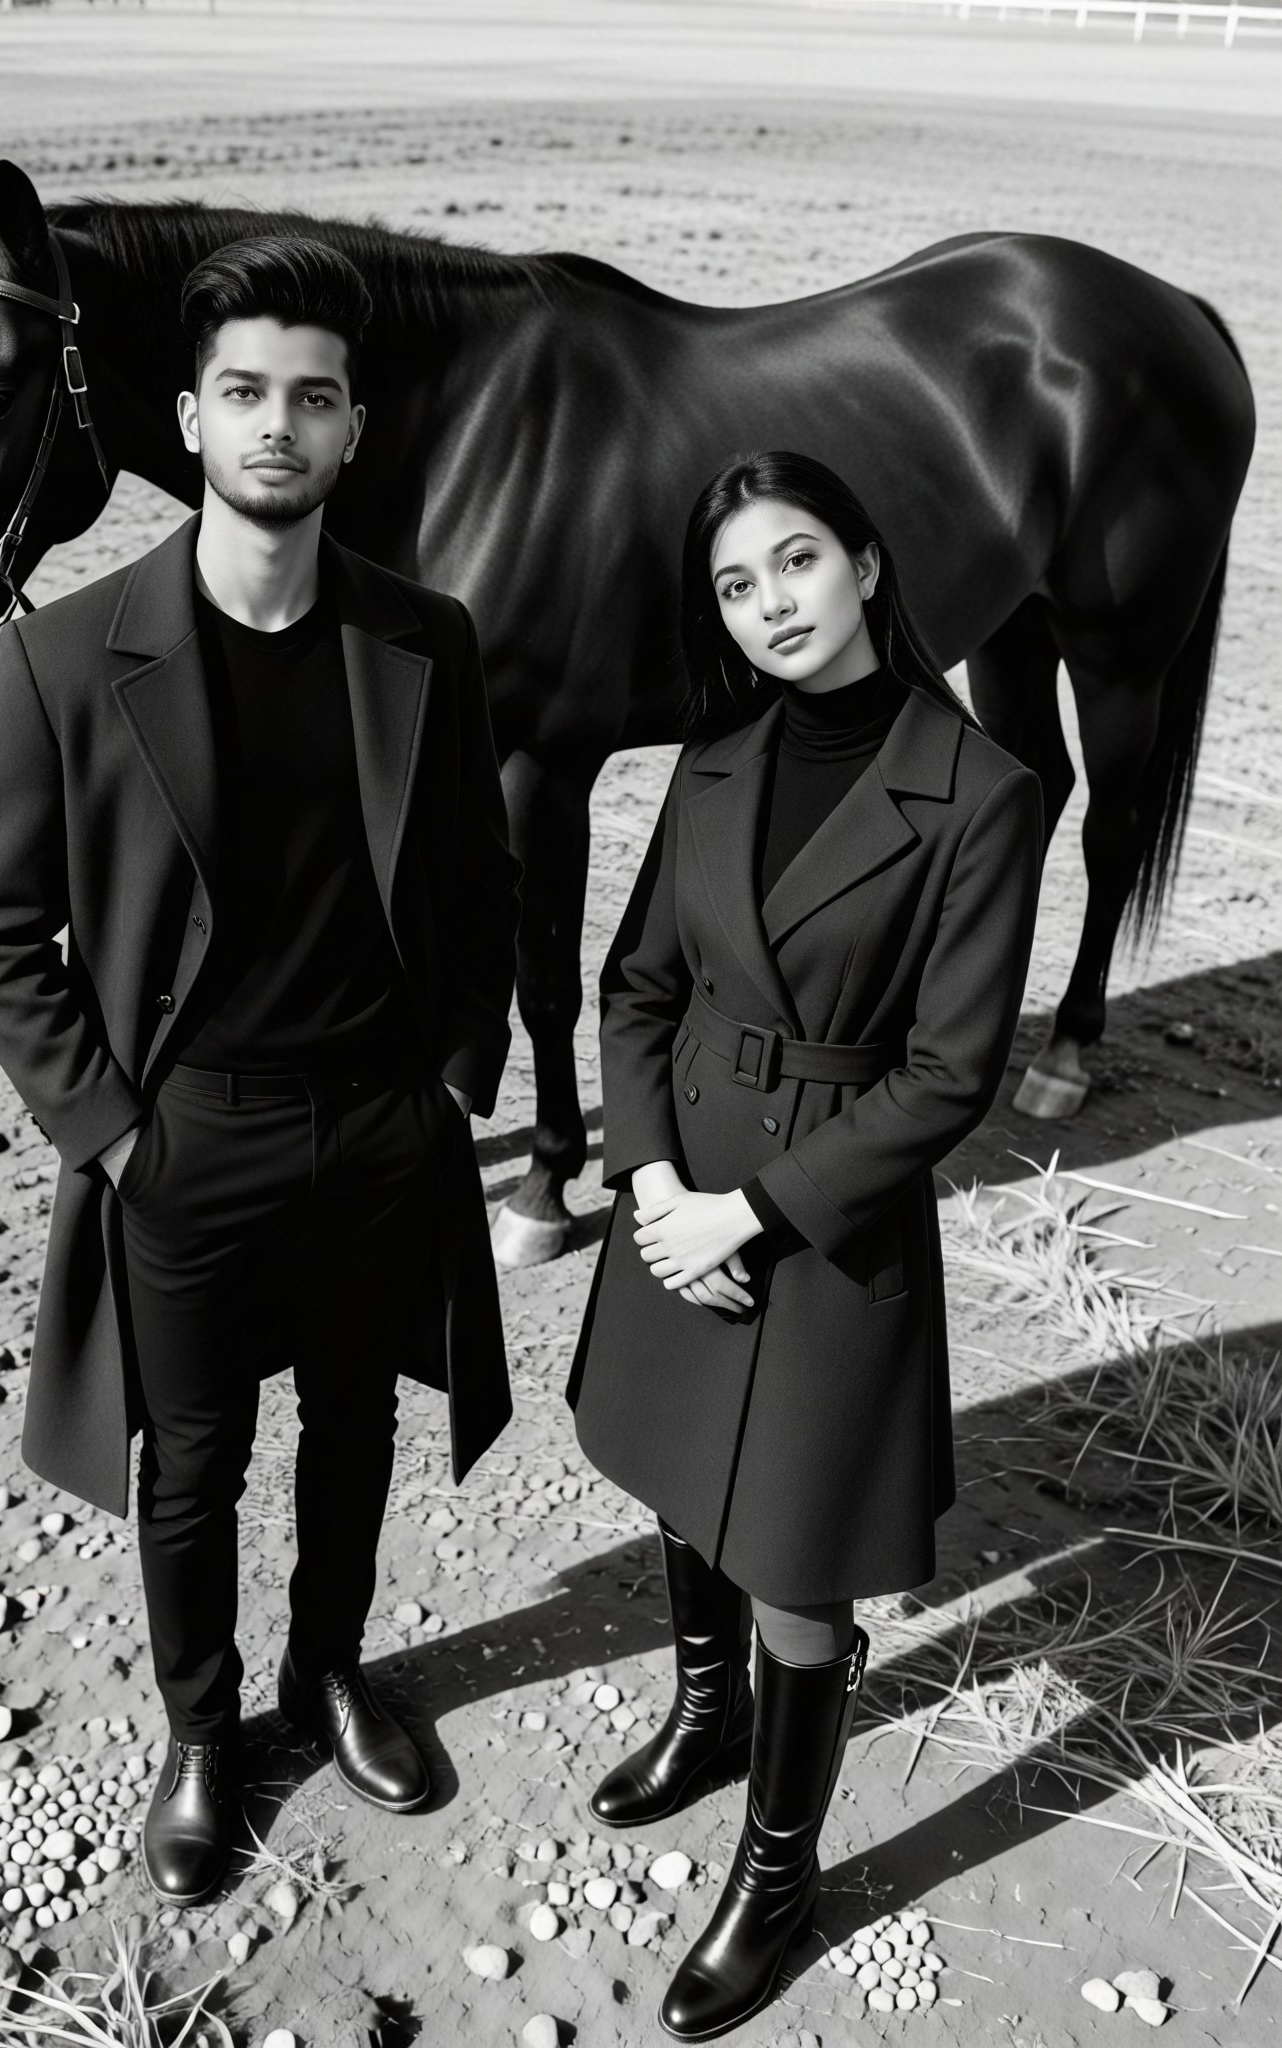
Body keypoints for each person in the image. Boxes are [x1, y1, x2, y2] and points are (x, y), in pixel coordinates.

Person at [0, 237, 520, 1907]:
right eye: (246, 394)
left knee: (353, 1429)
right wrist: (116, 1137)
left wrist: (457, 1084)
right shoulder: (68, 656)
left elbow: (483, 879)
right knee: (191, 1462)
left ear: (355, 430)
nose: (281, 425)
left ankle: (327, 1673)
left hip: (382, 1130)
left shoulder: (430, 637)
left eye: (314, 398)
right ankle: (204, 1735)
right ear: (190, 419)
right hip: (184, 1143)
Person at [567, 451, 1043, 2041]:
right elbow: (636, 986)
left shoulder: (981, 792)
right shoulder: (712, 760)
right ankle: (706, 1722)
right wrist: (646, 1181)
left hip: (822, 1229)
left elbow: (948, 1076)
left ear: (866, 567)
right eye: (734, 585)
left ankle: (779, 1877)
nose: (769, 605)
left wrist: (751, 1215)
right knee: (686, 1489)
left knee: (796, 1577)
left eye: (795, 564)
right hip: (677, 1178)